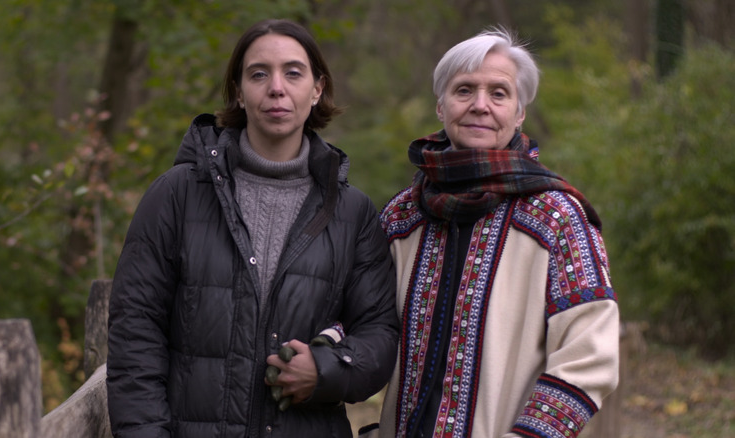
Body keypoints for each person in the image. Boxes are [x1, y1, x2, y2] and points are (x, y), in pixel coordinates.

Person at [106, 19, 399, 438]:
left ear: (317, 90)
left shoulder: (353, 213)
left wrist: (327, 370)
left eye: (293, 73)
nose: (276, 87)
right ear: (239, 93)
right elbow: (136, 332)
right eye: (258, 74)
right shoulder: (177, 194)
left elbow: (380, 332)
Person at [376, 28, 619, 438]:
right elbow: (362, 320)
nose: (480, 106)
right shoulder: (402, 216)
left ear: (519, 112)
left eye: (499, 93)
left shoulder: (558, 218)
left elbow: (589, 359)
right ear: (441, 105)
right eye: (464, 90)